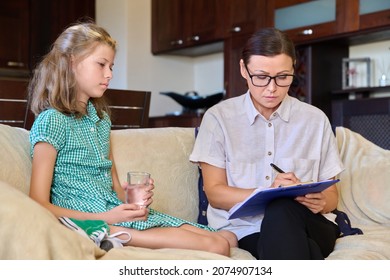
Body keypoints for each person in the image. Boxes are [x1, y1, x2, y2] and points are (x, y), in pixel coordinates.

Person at [28, 21, 237, 256]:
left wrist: (133, 196)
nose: (109, 74)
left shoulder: (101, 121)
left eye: (111, 66)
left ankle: (118, 233)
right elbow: (38, 203)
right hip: (95, 220)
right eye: (101, 64)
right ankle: (107, 235)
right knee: (218, 245)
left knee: (229, 237)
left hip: (113, 211)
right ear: (71, 62)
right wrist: (105, 218)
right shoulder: (52, 121)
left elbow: (114, 188)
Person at [189, 27, 344, 260]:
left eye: (283, 77)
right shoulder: (219, 118)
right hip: (247, 229)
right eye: (261, 77)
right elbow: (215, 194)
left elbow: (332, 195)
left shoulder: (314, 119)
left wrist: (321, 201)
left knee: (282, 208)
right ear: (243, 69)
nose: (272, 89)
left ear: (293, 69)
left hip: (310, 223)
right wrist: (267, 193)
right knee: (288, 229)